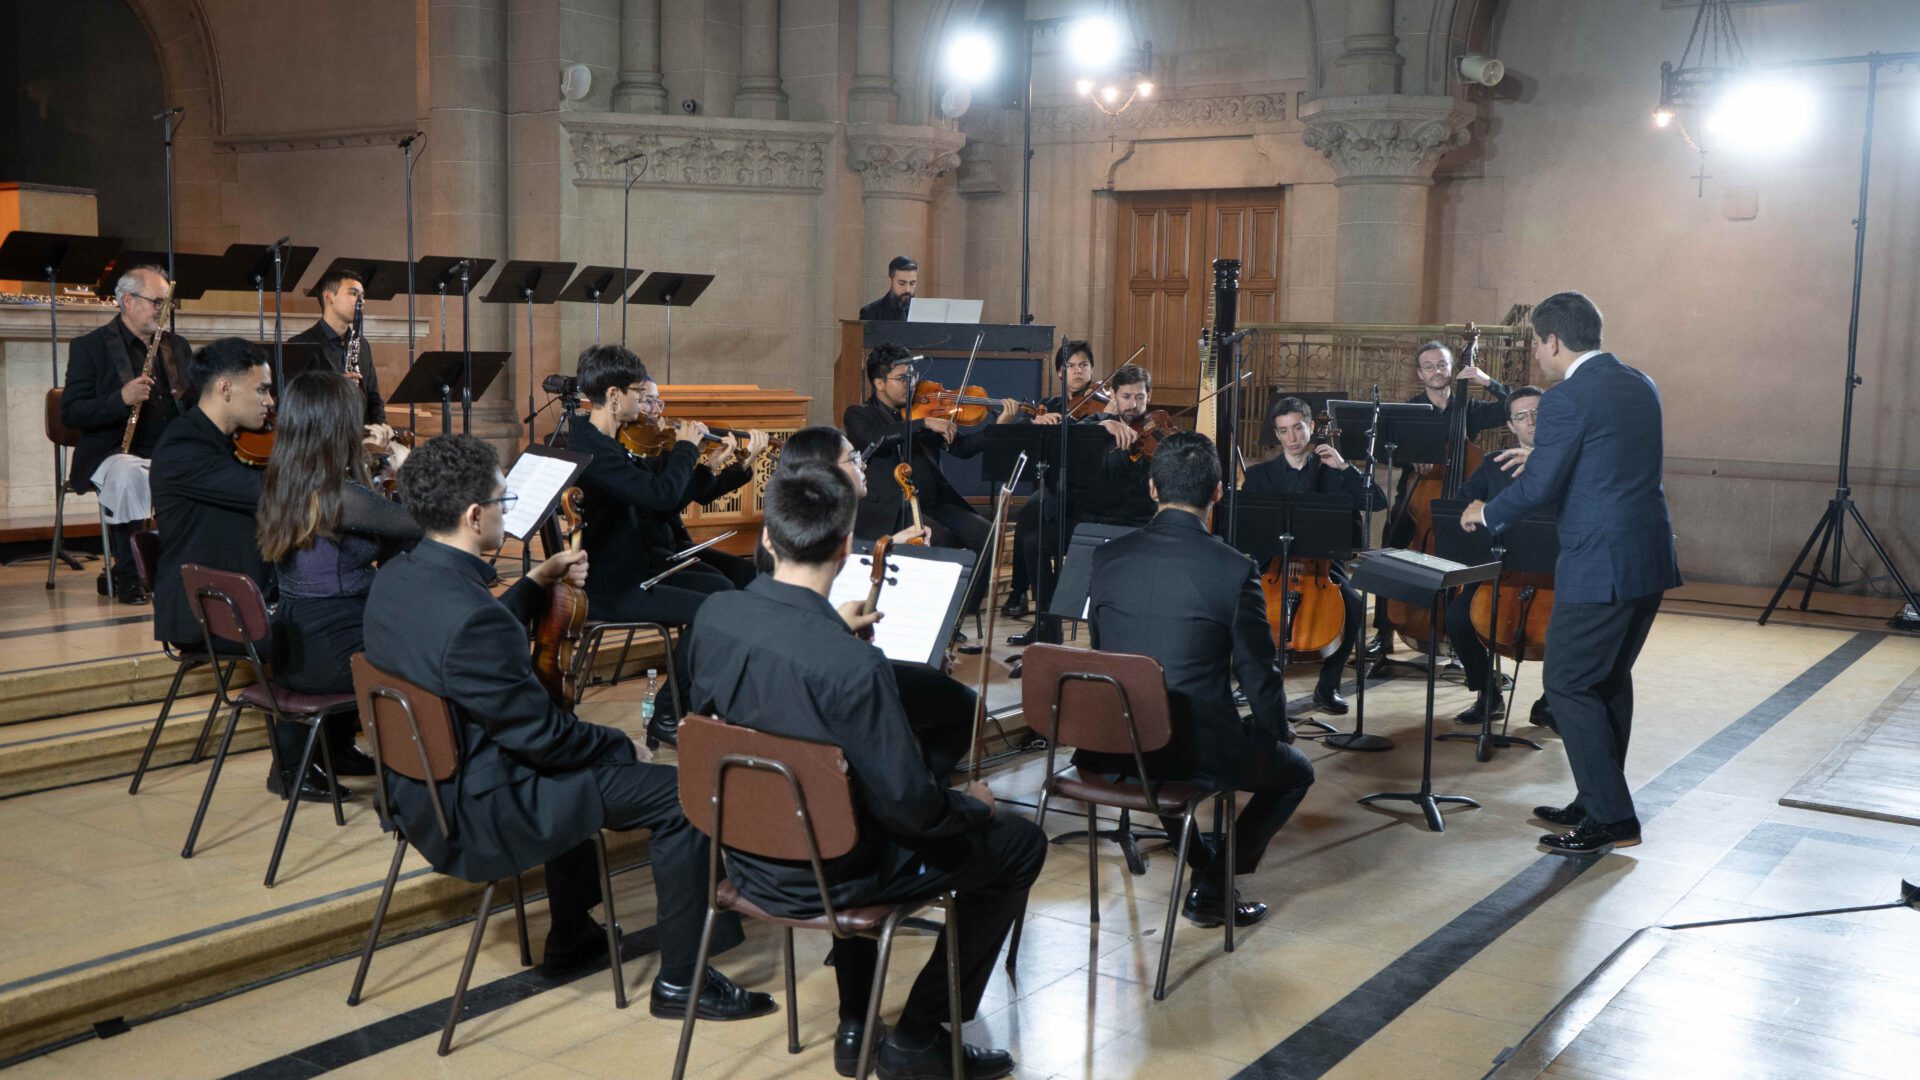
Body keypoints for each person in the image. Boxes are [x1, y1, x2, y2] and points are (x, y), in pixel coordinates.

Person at [365, 433, 775, 1019]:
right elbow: (545, 740)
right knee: (683, 795)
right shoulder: (473, 620)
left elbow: (459, 642)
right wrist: (621, 744)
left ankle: (573, 935)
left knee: (588, 757)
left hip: (418, 789)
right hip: (481, 809)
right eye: (503, 502)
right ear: (474, 516)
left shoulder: (397, 579)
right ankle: (683, 982)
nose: (506, 513)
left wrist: (534, 583)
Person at [689, 463, 1043, 1080]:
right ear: (846, 546)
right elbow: (916, 811)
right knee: (1018, 845)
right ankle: (918, 1036)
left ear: (768, 538)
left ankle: (856, 1024)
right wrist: (975, 806)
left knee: (854, 800)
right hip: (832, 875)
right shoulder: (854, 668)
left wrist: (831, 628)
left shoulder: (715, 616)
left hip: (744, 859)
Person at [1462, 292, 1681, 855]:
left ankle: (1612, 818)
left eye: (1536, 343)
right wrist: (1545, 456)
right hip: (1646, 556)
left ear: (1554, 341)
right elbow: (1610, 461)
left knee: (1566, 684)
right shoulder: (1640, 383)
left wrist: (1486, 512)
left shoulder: (1567, 397)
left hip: (1599, 562)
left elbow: (1540, 490)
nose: (1537, 354)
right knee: (1607, 681)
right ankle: (1595, 799)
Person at [1082, 431, 1315, 928]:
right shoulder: (1234, 569)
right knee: (1296, 772)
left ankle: (1205, 864)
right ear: (1217, 492)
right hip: (1196, 750)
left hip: (1118, 743)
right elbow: (1257, 672)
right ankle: (1212, 884)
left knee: (1164, 759)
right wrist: (1276, 731)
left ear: (1152, 488)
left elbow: (1104, 653)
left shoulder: (1106, 557)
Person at [149, 339, 322, 797]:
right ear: (225, 388)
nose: (271, 402)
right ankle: (294, 766)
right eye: (262, 389)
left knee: (331, 615)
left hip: (242, 596)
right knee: (317, 631)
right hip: (206, 609)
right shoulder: (183, 446)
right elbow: (267, 496)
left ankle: (332, 749)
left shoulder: (232, 442)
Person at [771, 425, 971, 781]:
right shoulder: (822, 537)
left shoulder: (801, 524)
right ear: (823, 472)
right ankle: (914, 789)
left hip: (831, 666)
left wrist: (889, 545)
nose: (863, 464)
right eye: (853, 458)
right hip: (834, 678)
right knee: (965, 705)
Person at [255, 371, 420, 788]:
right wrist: (405, 467)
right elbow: (419, 524)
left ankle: (334, 749)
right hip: (331, 654)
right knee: (430, 648)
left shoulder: (287, 479)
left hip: (298, 644)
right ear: (338, 426)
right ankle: (417, 772)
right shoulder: (340, 495)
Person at [564, 345, 731, 746]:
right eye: (639, 393)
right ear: (614, 395)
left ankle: (700, 702)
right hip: (610, 585)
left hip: (633, 564)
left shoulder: (606, 441)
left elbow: (657, 504)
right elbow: (658, 496)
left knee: (723, 591)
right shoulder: (593, 451)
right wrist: (686, 448)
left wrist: (705, 466)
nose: (644, 402)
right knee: (714, 612)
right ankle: (668, 714)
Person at [842, 342, 1018, 624]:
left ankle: (959, 615)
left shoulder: (924, 411)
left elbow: (963, 449)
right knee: (940, 539)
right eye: (902, 378)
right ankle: (930, 617)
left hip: (935, 503)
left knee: (987, 535)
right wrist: (923, 425)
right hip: (893, 508)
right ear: (879, 383)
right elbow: (875, 438)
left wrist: (998, 428)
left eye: (912, 376)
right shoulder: (859, 414)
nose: (911, 384)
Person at [1241, 396, 1387, 714]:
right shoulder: (1259, 476)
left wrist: (1345, 467)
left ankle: (1327, 686)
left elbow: (1377, 502)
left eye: (1297, 428)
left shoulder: (1333, 472)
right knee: (1243, 603)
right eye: (1283, 431)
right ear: (1276, 434)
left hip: (1323, 567)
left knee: (1354, 606)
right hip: (1271, 564)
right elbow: (1247, 528)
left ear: (1309, 426)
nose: (1292, 438)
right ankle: (1251, 680)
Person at [1369, 339, 1512, 657]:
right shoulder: (1411, 410)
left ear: (1452, 368)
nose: (1437, 371)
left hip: (1461, 502)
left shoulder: (1470, 408)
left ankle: (1464, 635)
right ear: (1420, 373)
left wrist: (1487, 381)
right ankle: (1384, 631)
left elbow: (1513, 407)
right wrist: (1409, 456)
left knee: (1472, 560)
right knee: (1391, 545)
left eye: (1442, 364)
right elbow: (1381, 450)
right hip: (1416, 498)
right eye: (1429, 366)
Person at [62, 264, 193, 603]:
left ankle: (189, 566)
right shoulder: (90, 346)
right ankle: (130, 572)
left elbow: (192, 402)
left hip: (168, 449)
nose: (163, 310)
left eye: (167, 303)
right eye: (157, 302)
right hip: (114, 451)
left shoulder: (176, 346)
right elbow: (72, 412)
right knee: (127, 473)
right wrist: (120, 398)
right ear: (128, 300)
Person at [1009, 362, 1156, 651]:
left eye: (1140, 397)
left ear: (1148, 396)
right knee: (1034, 540)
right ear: (1113, 395)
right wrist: (1102, 426)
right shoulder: (1096, 423)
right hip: (1089, 522)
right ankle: (1047, 625)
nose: (1133, 404)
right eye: (1126, 396)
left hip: (1132, 525)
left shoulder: (1155, 435)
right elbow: (1069, 437)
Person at [1444, 386, 1554, 729]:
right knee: (1458, 618)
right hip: (1500, 570)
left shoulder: (1569, 463)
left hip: (1554, 572)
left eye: (1538, 412)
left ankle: (1552, 702)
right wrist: (1473, 510)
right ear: (1511, 426)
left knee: (1572, 630)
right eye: (1521, 416)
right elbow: (1460, 505)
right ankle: (1487, 693)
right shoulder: (1494, 464)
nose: (1531, 421)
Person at [629, 377, 769, 589]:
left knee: (748, 572)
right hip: (649, 548)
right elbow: (662, 506)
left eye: (658, 401)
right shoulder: (633, 452)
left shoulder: (661, 444)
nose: (656, 409)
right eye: (648, 401)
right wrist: (694, 456)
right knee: (721, 584)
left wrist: (735, 464)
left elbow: (703, 495)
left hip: (673, 542)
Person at [1003, 338, 1102, 620]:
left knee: (1033, 514)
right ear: (1060, 372)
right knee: (1028, 515)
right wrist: (1034, 422)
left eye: (1084, 365)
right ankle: (1021, 592)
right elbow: (1021, 432)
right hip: (1054, 487)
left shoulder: (1103, 405)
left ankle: (1028, 595)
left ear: (1092, 369)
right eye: (1070, 366)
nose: (1078, 371)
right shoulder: (1048, 406)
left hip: (1088, 490)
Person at [288, 268, 386, 425]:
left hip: (361, 433)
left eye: (362, 296)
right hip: (323, 434)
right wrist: (336, 388)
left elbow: (374, 398)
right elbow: (297, 405)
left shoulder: (362, 344)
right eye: (353, 293)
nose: (361, 301)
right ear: (329, 297)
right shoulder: (300, 345)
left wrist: (380, 428)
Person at [858, 255, 917, 322]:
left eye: (912, 283)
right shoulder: (870, 314)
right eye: (902, 283)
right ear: (890, 281)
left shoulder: (923, 312)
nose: (907, 289)